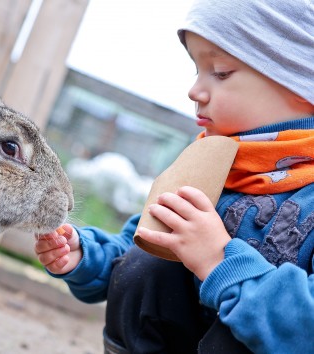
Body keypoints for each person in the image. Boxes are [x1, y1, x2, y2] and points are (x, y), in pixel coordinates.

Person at [34, 0, 314, 353]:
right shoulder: (207, 164)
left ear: (301, 85)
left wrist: (218, 260)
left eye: (221, 72)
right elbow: (135, 253)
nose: (194, 91)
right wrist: (84, 255)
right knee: (152, 260)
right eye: (196, 70)